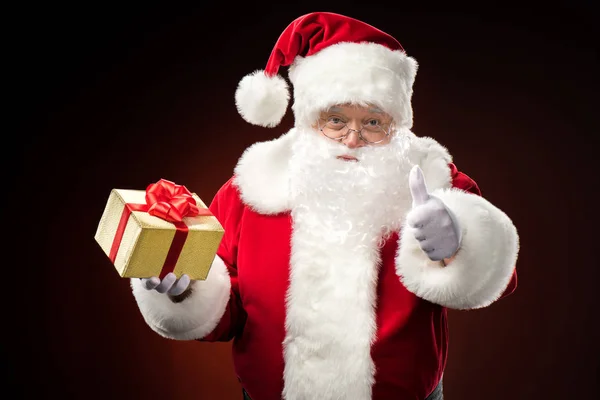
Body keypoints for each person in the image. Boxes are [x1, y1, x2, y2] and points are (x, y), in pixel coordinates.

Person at [128, 11, 519, 400]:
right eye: (336, 119)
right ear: (309, 119)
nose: (352, 139)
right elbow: (226, 312)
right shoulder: (251, 189)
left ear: (397, 125)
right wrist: (183, 293)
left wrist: (460, 245)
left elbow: (500, 280)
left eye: (372, 122)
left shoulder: (435, 183)